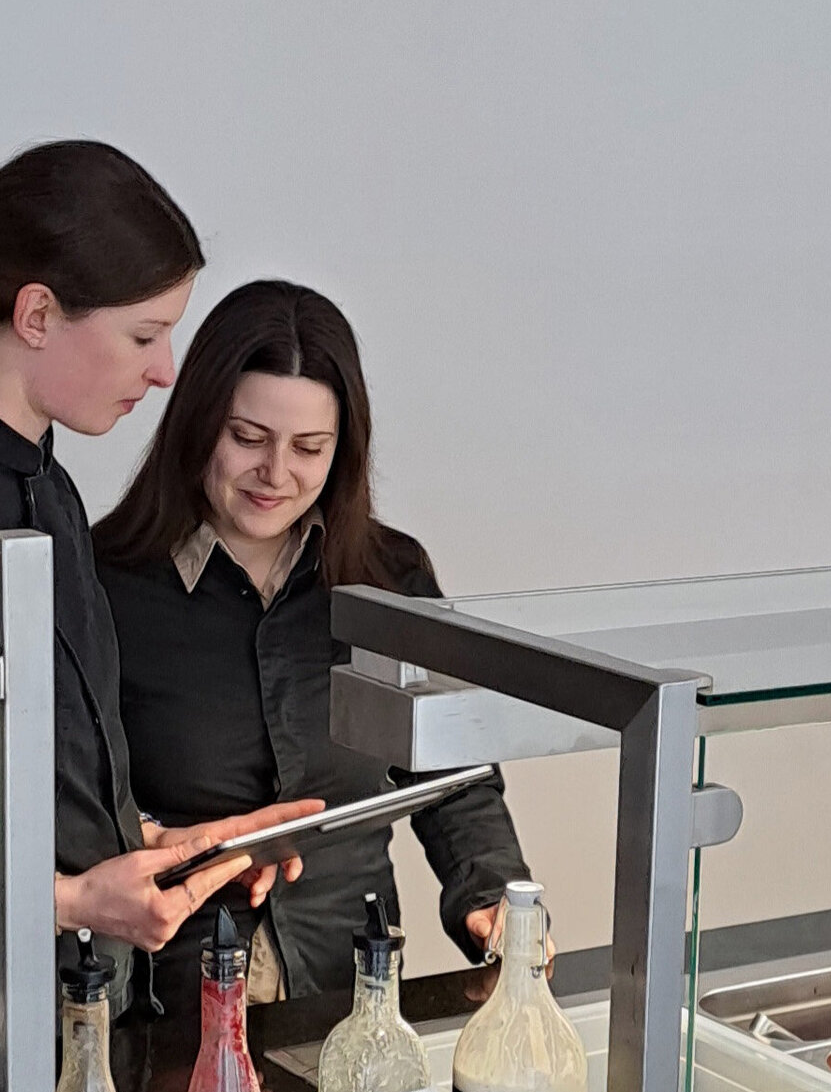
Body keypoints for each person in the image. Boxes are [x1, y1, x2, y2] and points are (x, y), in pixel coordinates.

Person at [0, 143, 315, 1023]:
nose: (166, 369)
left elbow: (31, 772)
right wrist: (73, 902)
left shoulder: (52, 486)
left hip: (73, 1015)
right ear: (37, 313)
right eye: (144, 335)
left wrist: (165, 845)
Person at [94, 280, 531, 1004]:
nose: (276, 473)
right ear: (198, 424)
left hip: (354, 981)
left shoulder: (391, 577)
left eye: (309, 448)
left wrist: (491, 897)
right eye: (247, 438)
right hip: (168, 990)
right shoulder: (105, 583)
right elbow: (70, 801)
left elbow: (456, 775)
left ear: (343, 450)